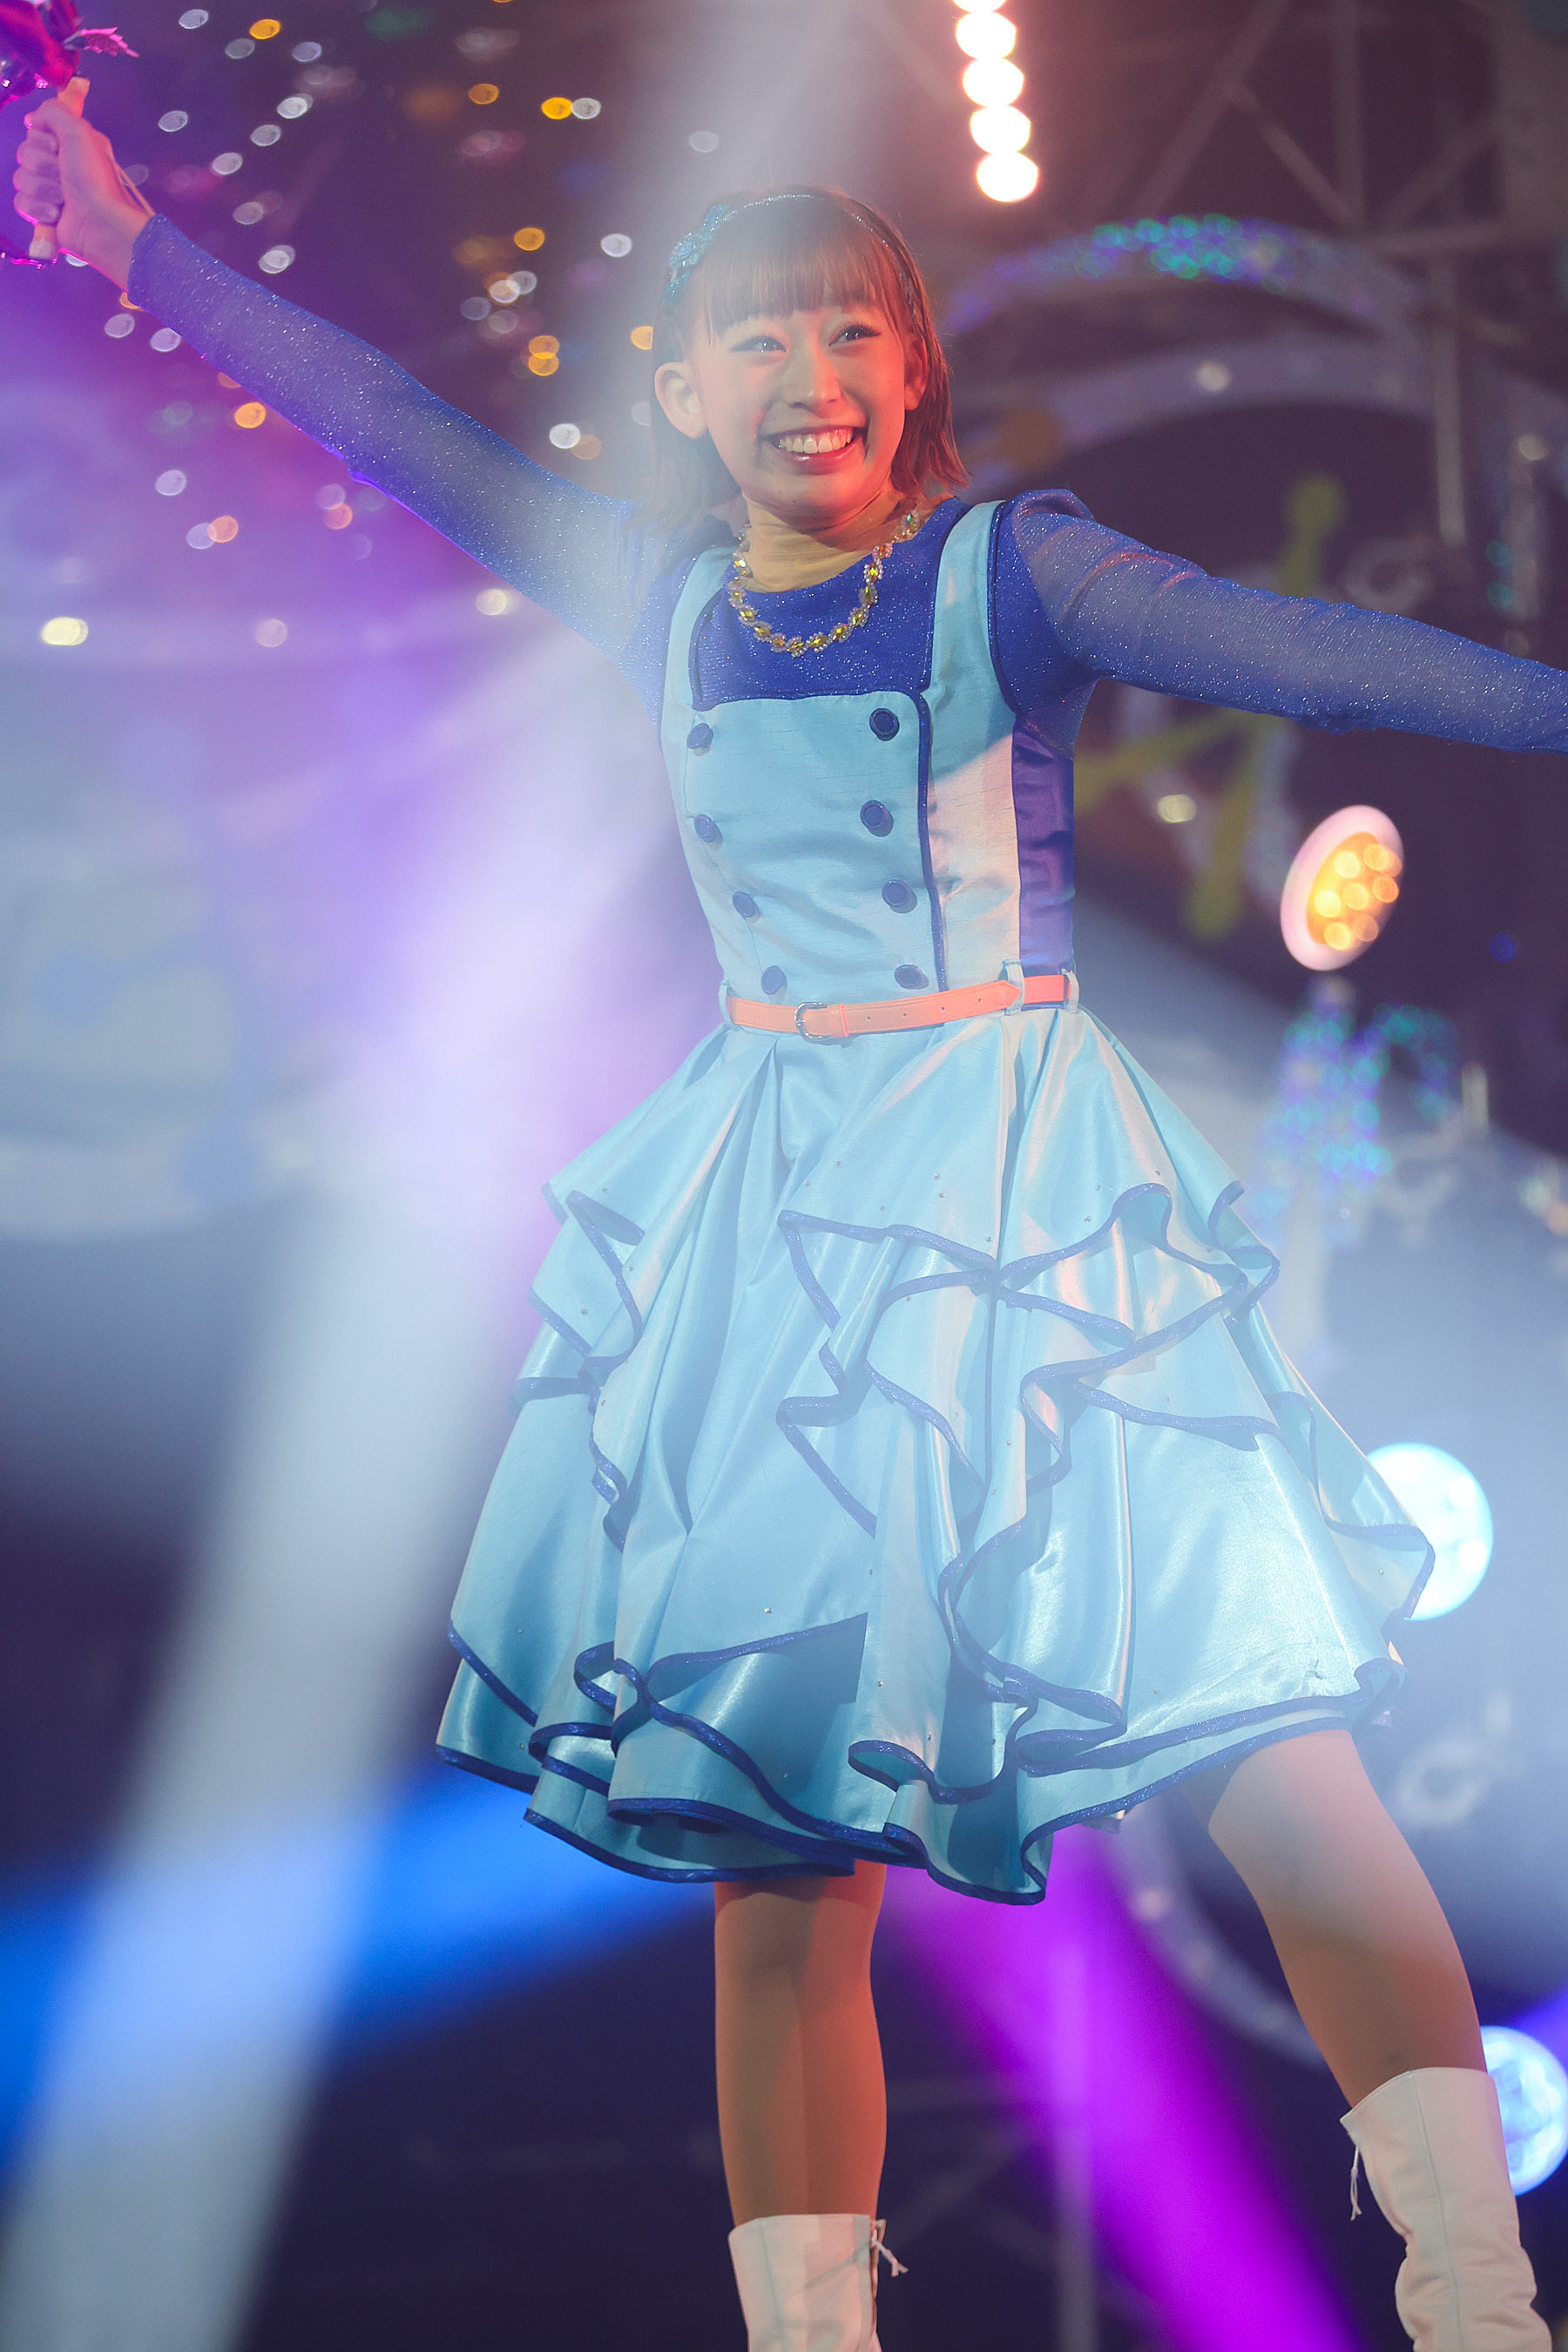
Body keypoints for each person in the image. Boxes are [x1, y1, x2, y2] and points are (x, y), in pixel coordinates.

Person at [14, 95, 1559, 2352]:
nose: (807, 371)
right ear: (680, 384)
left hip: (1031, 1204)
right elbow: (385, 428)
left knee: (1269, 1746)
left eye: (849, 328)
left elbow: (1311, 651)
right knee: (779, 1860)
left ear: (909, 369)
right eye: (755, 334)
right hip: (780, 1242)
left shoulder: (1009, 576)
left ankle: (1478, 2293)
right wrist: (133, 244)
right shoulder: (655, 600)